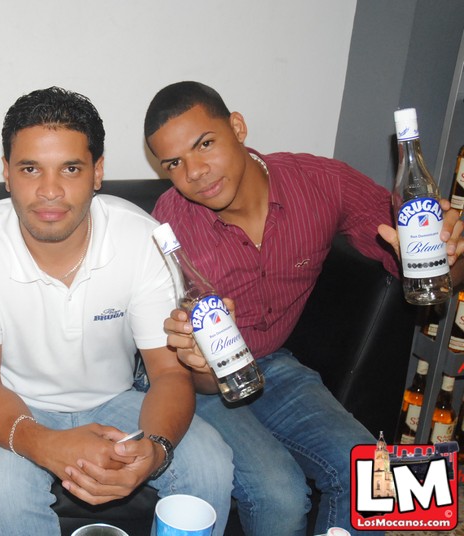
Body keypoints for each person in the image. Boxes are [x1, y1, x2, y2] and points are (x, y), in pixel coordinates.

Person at [143, 81, 464, 536]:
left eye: (205, 144)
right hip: (196, 381)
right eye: (173, 163)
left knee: (368, 474)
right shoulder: (169, 226)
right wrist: (204, 365)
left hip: (272, 363)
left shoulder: (320, 183)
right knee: (281, 494)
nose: (194, 171)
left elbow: (423, 262)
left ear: (237, 127)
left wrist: (449, 249)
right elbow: (178, 368)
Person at [0, 86, 234, 536]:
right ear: (6, 173)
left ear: (97, 172)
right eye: (30, 169)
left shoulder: (142, 238)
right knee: (1, 486)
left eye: (71, 168)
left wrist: (155, 449)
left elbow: (169, 373)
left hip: (118, 401)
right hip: (15, 405)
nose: (50, 191)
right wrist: (46, 444)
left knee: (210, 462)